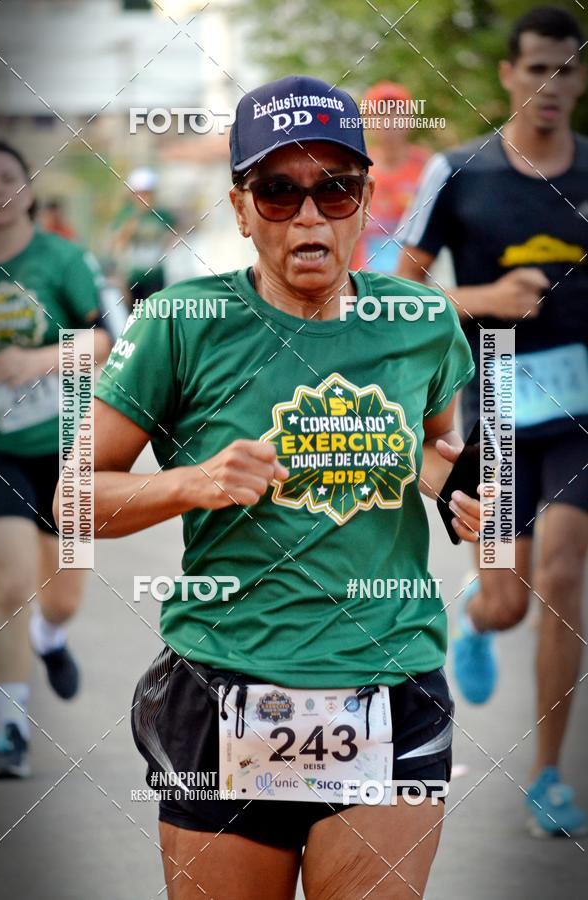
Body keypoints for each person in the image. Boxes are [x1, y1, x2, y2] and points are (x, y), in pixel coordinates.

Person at [76, 75, 480, 899]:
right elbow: (74, 499)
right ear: (239, 205)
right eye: (279, 190)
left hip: (390, 678)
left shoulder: (421, 322)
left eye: (335, 190)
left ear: (367, 200)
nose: (308, 215)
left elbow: (434, 447)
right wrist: (195, 481)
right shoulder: (180, 324)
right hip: (222, 681)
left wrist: (460, 490)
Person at [396, 6, 587, 837]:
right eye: (537, 67)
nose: (552, 85)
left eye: (568, 67)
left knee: (567, 572)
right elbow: (393, 297)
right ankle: (479, 610)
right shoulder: (459, 171)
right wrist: (483, 300)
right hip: (501, 406)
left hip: (583, 405)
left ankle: (548, 774)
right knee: (514, 602)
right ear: (509, 75)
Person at [0, 141, 111, 777]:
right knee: (5, 587)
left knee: (60, 596)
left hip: (68, 445)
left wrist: (34, 362)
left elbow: (103, 339)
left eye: (7, 177)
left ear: (28, 189)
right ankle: (10, 731)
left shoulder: (61, 259)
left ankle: (52, 637)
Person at [351, 82, 429, 275]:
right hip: (362, 281)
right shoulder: (355, 166)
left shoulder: (428, 166)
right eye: (381, 114)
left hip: (413, 282)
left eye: (397, 113)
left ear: (410, 119)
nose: (389, 121)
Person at [110, 166, 176, 305]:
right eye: (141, 193)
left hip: (156, 274)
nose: (145, 197)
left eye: (148, 193)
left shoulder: (161, 215)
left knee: (155, 313)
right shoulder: (126, 215)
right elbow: (117, 244)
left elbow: (172, 236)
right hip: (134, 276)